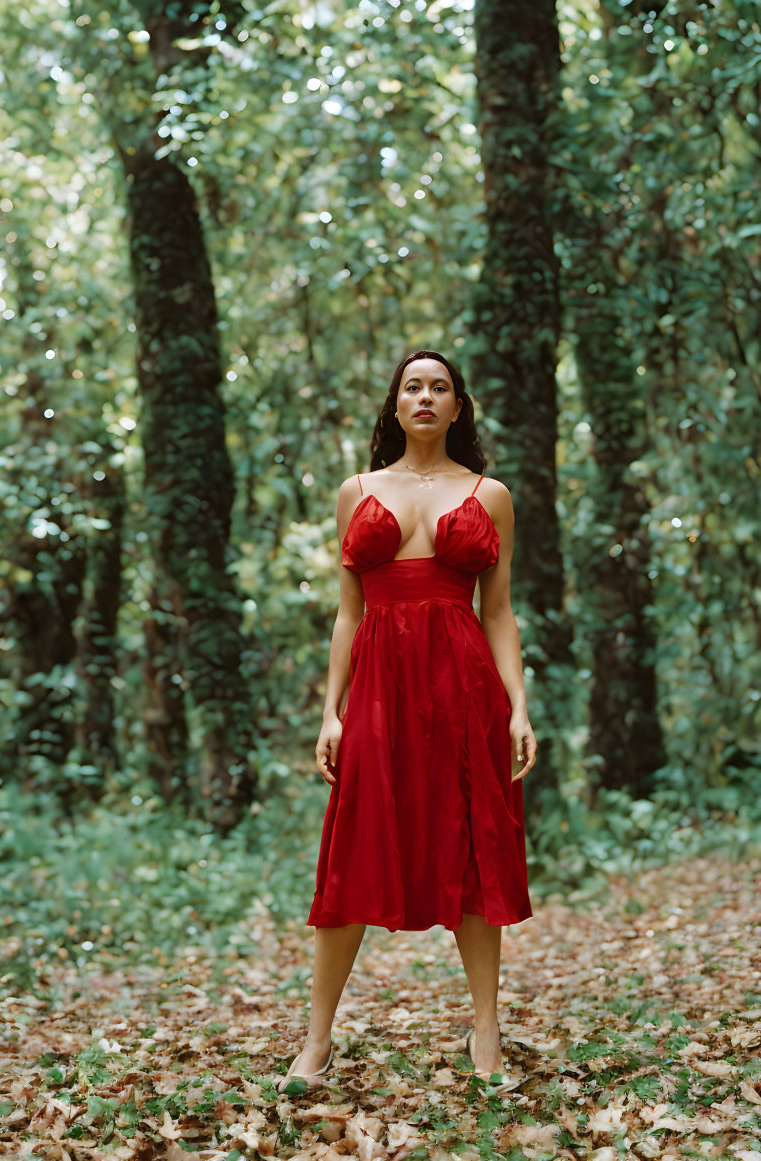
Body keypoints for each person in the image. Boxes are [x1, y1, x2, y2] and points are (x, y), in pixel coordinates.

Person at [275, 349, 536, 1093]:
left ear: (458, 406)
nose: (425, 396)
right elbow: (348, 610)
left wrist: (518, 705)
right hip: (381, 689)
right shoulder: (356, 490)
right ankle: (316, 1037)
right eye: (412, 386)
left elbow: (500, 610)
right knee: (353, 847)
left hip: (464, 689)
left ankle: (484, 1029)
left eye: (439, 386)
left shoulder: (489, 495)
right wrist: (330, 711)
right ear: (394, 404)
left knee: (473, 851)